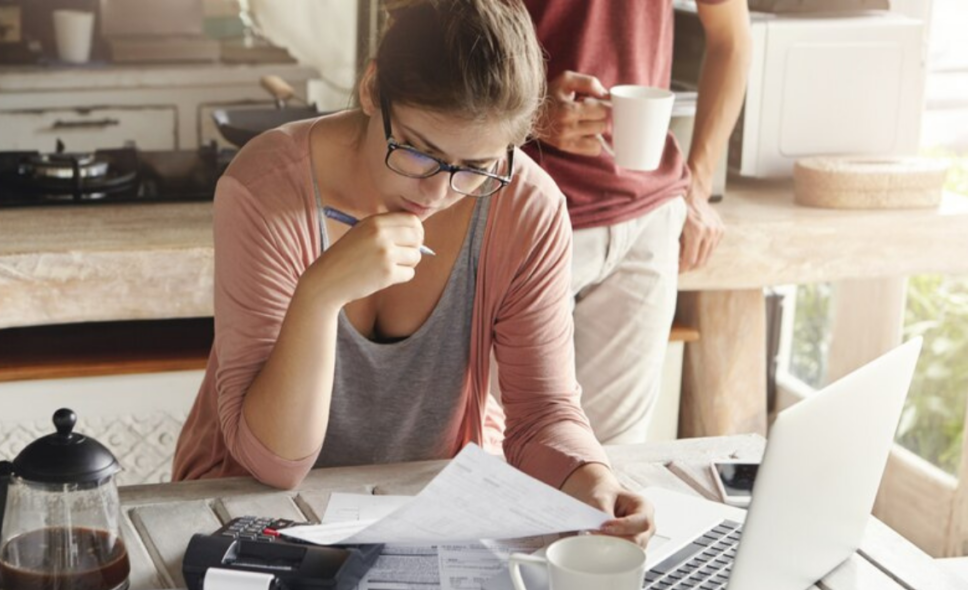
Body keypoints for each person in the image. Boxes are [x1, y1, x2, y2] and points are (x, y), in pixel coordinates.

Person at [173, 0, 654, 546]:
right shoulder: (264, 188)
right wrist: (320, 294)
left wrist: (593, 483)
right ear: (373, 89)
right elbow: (274, 462)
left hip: (429, 513)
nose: (437, 192)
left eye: (475, 168)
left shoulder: (525, 208)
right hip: (244, 509)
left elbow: (542, 412)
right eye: (419, 151)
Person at [521, 0, 751, 444]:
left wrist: (697, 187)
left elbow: (732, 38)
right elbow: (431, 39)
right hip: (523, 214)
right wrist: (526, 110)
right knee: (508, 455)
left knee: (615, 474)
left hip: (646, 224)